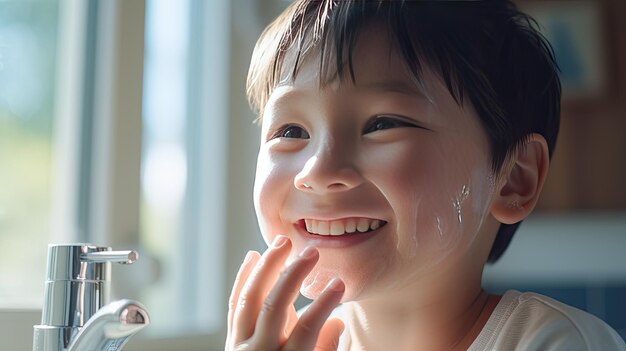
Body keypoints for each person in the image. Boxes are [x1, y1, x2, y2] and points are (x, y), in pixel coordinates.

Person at [225, 1, 626, 350]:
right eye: (290, 132)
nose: (319, 171)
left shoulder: (558, 343)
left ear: (512, 178)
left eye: (382, 123)